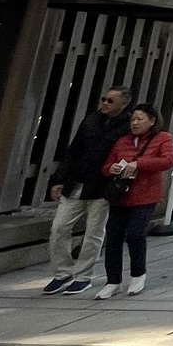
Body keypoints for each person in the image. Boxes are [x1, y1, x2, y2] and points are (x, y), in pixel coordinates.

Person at [42, 85, 131, 294]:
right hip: (77, 180)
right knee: (59, 227)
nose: (105, 104)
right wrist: (59, 179)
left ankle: (83, 275)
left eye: (111, 101)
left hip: (102, 185)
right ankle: (62, 272)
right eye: (104, 99)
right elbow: (74, 149)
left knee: (94, 231)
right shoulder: (91, 120)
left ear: (124, 102)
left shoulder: (127, 125)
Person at [97, 103, 173, 299]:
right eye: (133, 119)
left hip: (145, 194)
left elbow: (168, 160)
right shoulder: (122, 141)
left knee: (134, 234)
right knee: (113, 238)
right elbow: (106, 166)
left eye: (140, 119)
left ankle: (138, 274)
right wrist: (112, 168)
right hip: (120, 195)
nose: (135, 123)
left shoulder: (163, 138)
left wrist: (139, 163)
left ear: (152, 120)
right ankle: (113, 280)